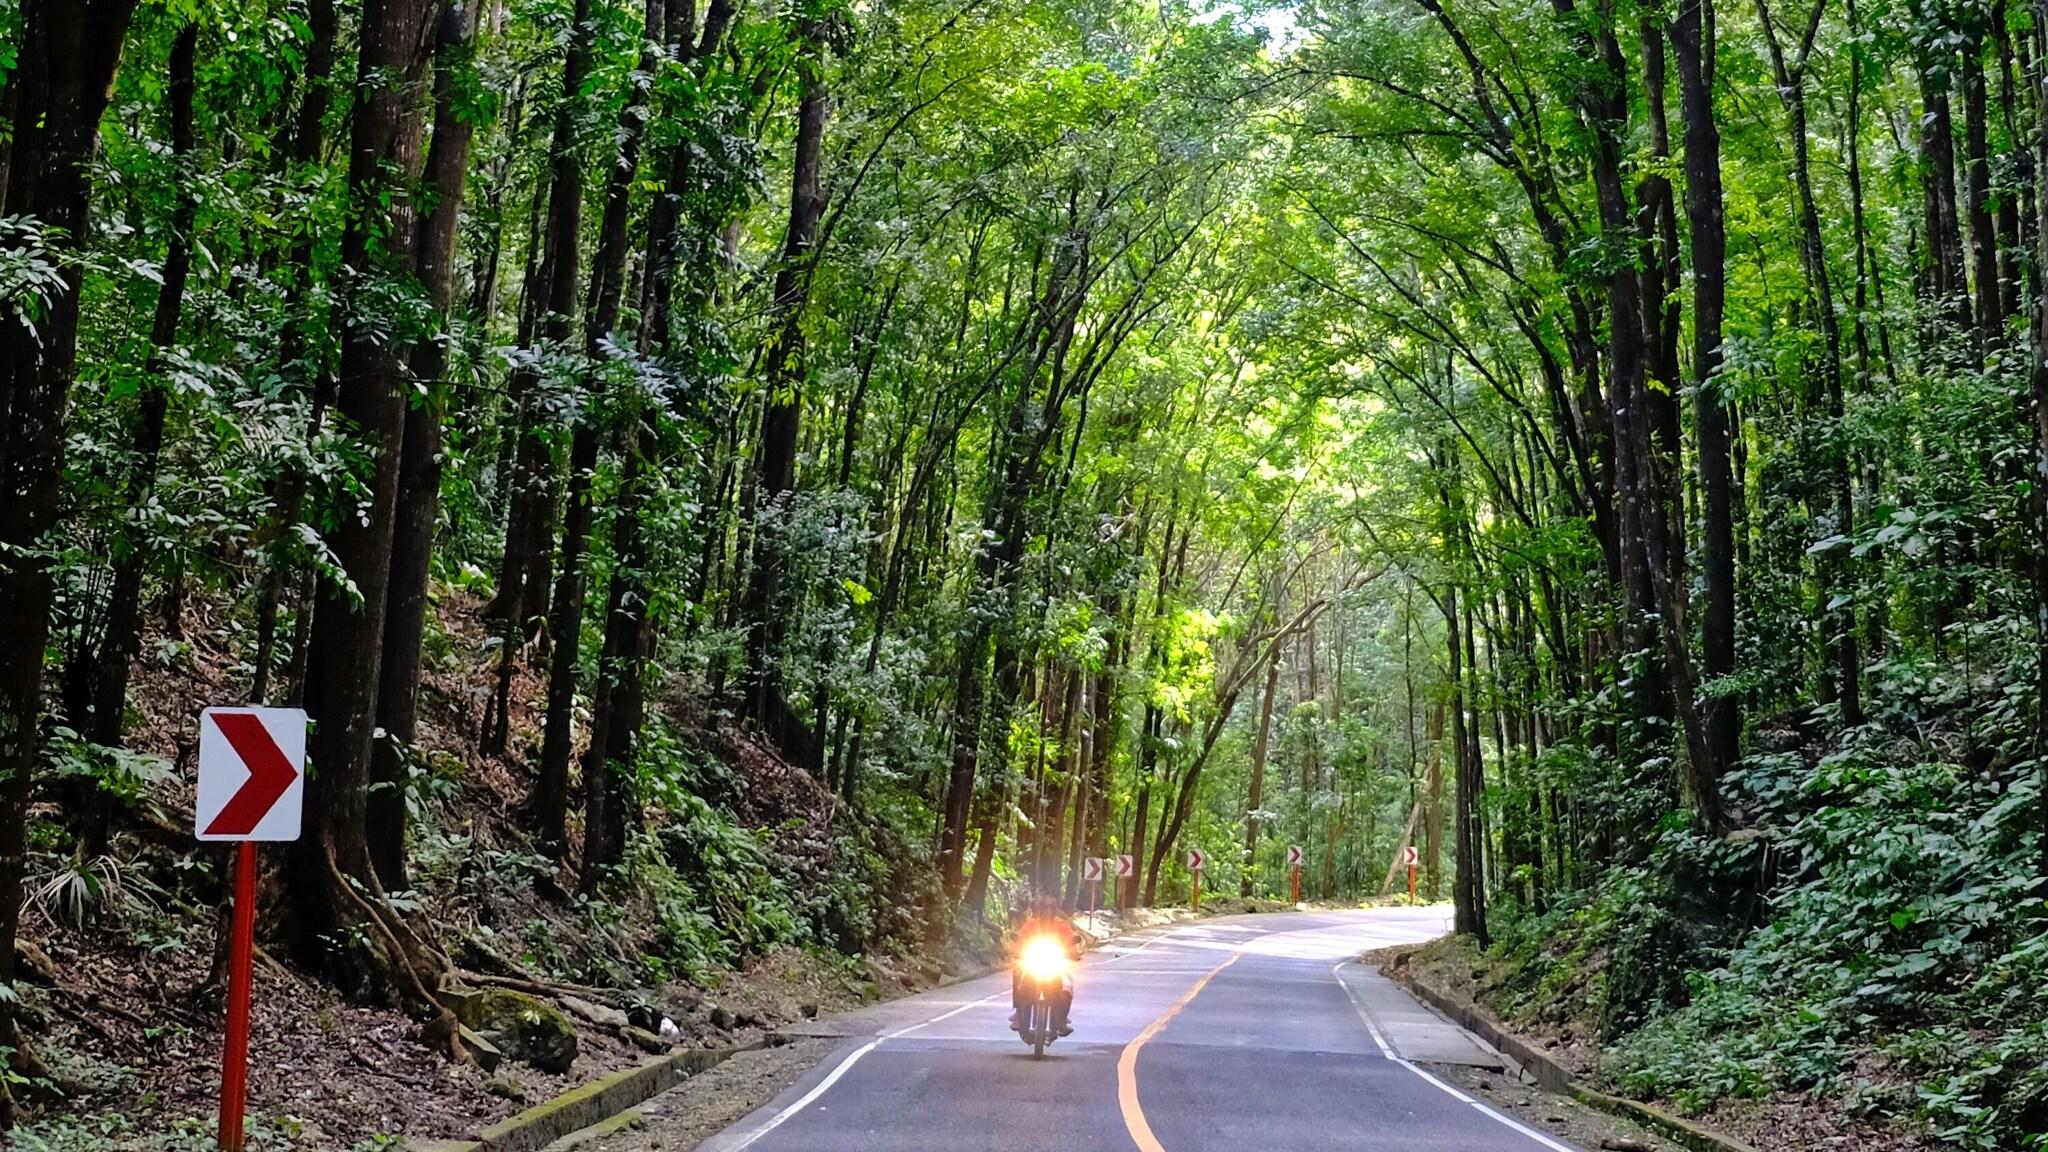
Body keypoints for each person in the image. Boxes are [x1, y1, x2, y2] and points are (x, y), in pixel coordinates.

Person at [1008, 892, 1080, 1036]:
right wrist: (1017, 950)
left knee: (1068, 985)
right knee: (1017, 973)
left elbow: (1071, 942)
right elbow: (1020, 940)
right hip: (1033, 963)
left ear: (1055, 910)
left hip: (1055, 965)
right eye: (1045, 907)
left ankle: (1061, 1019)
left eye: (1051, 907)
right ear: (1039, 909)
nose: (1048, 910)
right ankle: (1019, 1013)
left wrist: (1073, 952)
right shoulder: (1031, 924)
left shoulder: (1062, 926)